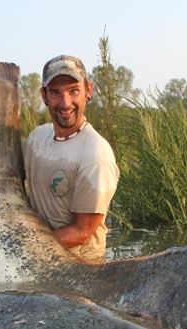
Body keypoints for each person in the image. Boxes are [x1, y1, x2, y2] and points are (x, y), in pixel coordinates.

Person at [23, 55, 119, 262]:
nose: (65, 103)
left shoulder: (96, 154)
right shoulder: (36, 139)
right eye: (56, 93)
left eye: (73, 91)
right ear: (44, 95)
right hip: (40, 263)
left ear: (88, 91)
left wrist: (25, 249)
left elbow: (82, 231)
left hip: (81, 270)